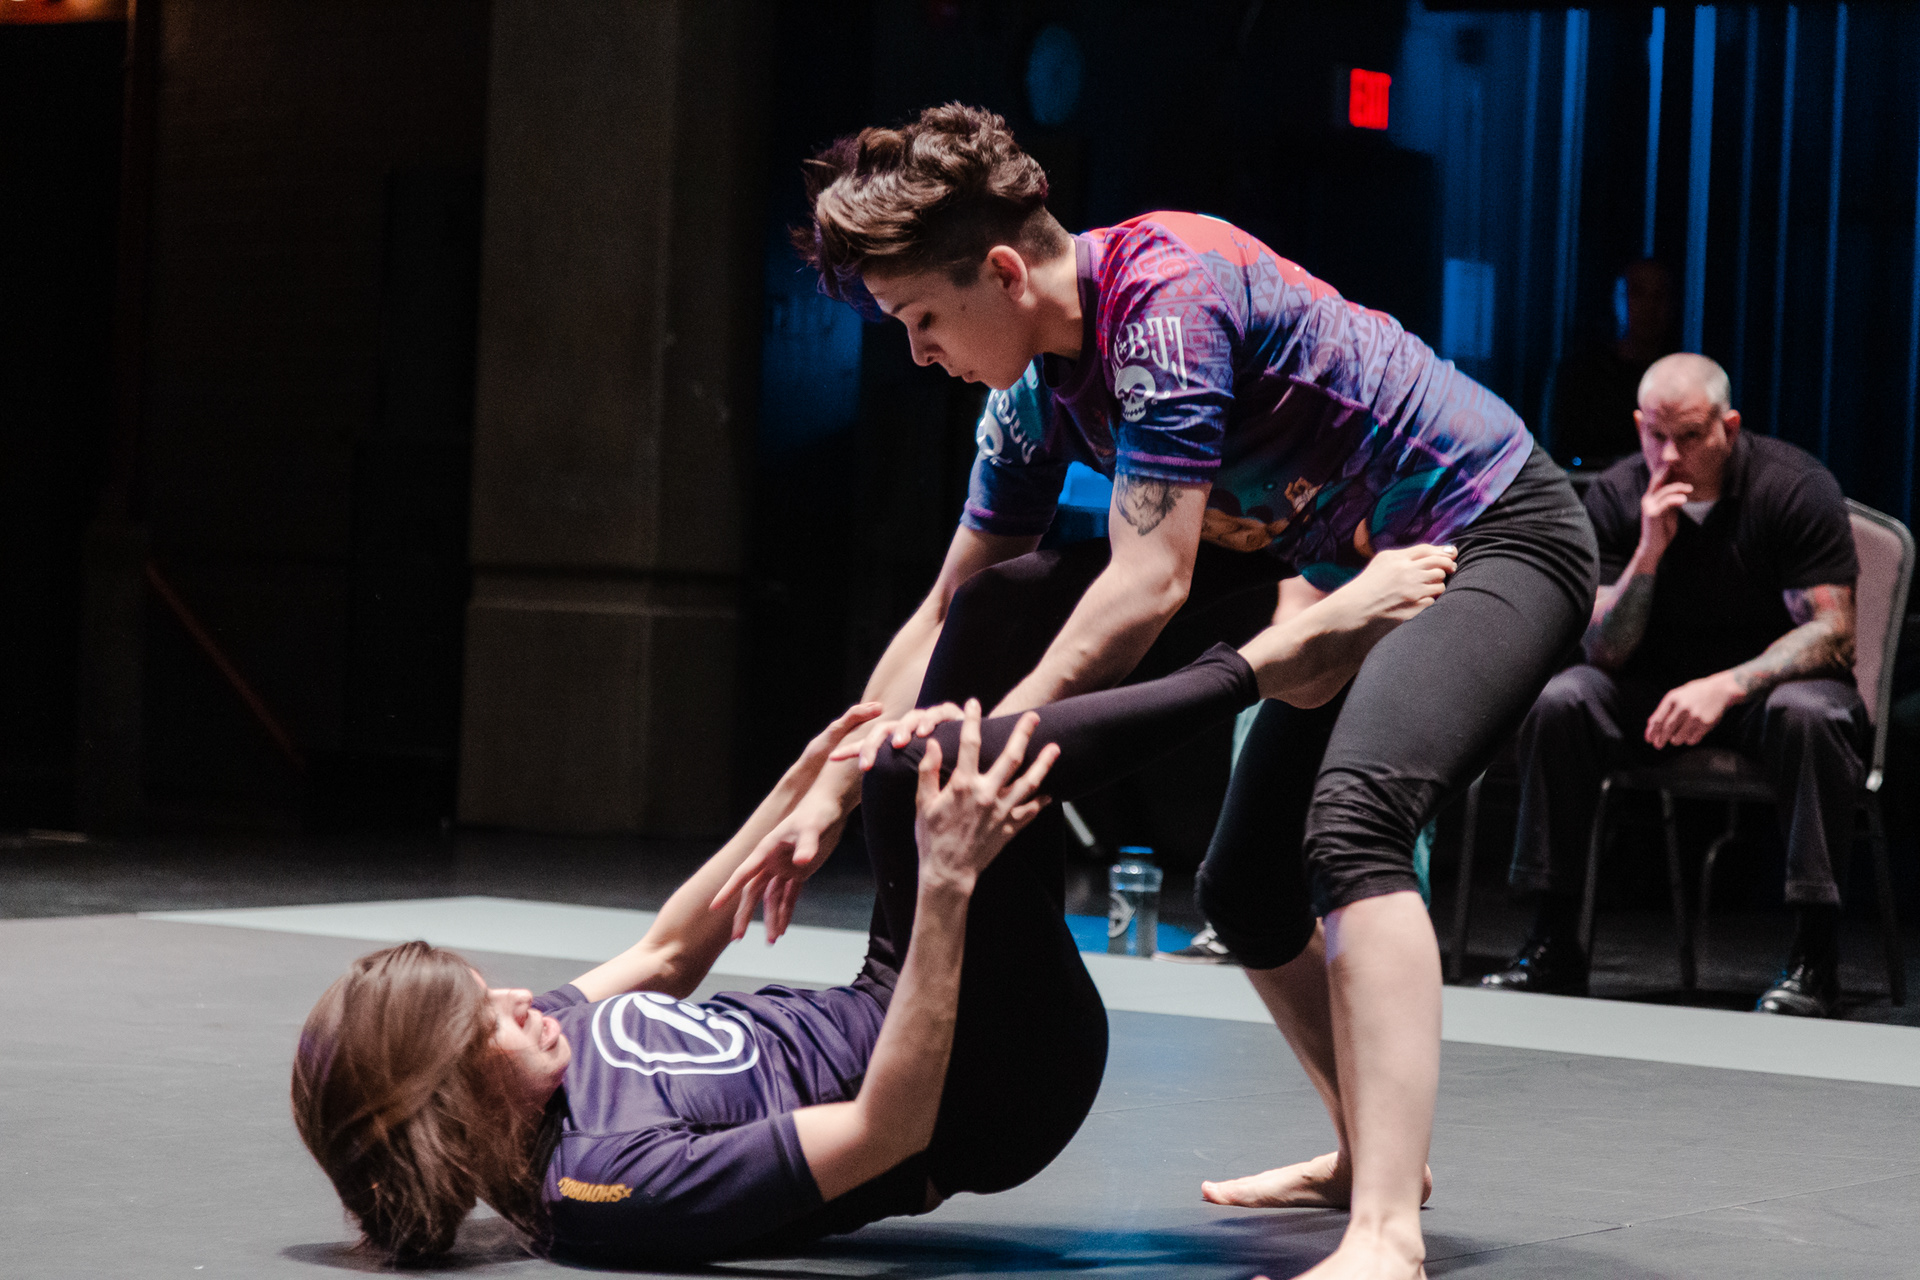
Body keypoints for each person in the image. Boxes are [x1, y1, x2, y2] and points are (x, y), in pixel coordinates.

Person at [739, 104, 1597, 1280]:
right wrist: (830, 795)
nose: (919, 353)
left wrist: (999, 738)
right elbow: (946, 608)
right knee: (1246, 885)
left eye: (922, 319)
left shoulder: (1163, 298)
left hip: (1494, 531)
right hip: (1354, 572)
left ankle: (1387, 1229)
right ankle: (1365, 1151)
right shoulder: (1029, 395)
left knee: (1353, 822)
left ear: (1004, 273)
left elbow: (1151, 580)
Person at [290, 548, 1457, 1267]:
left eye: (489, 991)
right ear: (451, 1107)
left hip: (901, 993)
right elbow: (883, 1131)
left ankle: (1278, 576)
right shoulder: (602, 1179)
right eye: (483, 1021)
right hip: (986, 1090)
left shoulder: (541, 1048)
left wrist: (804, 789)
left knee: (989, 612)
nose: (516, 999)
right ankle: (1276, 659)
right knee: (924, 769)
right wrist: (943, 883)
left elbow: (670, 944)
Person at [1483, 353, 1865, 1016]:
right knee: (1563, 700)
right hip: (1651, 691)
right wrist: (1649, 551)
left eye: (1689, 437)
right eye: (1656, 436)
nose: (1670, 455)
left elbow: (1834, 632)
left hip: (1764, 692)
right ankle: (1552, 943)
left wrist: (1727, 686)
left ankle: (1814, 960)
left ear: (1728, 427)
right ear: (1639, 425)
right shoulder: (1616, 494)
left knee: (1814, 715)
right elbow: (1603, 650)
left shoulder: (1793, 487)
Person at [1546, 259, 1678, 468]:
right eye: (1637, 293)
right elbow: (1562, 451)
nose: (1649, 305)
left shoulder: (1681, 377)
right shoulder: (1580, 375)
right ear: (1616, 299)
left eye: (1659, 295)